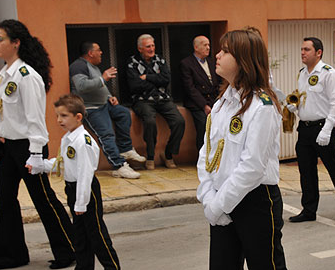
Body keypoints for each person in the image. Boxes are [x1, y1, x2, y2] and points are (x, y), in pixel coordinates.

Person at [193, 29, 310, 270]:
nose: (217, 56)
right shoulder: (221, 102)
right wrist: (207, 195)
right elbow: (207, 153)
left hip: (255, 202)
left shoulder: (263, 106)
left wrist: (219, 204)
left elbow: (252, 166)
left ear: (243, 60)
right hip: (221, 199)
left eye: (225, 51)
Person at [0, 19, 76, 270]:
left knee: (43, 199)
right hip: (10, 147)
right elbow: (1, 111)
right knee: (4, 198)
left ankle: (70, 249)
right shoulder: (5, 75)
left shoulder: (27, 76)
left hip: (28, 147)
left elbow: (35, 119)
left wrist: (35, 155)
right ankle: (11, 255)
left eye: (0, 39)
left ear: (16, 43)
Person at [28, 94, 121, 270]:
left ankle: (112, 268)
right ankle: (84, 269)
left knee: (95, 231)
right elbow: (64, 164)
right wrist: (41, 166)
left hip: (85, 190)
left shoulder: (83, 141)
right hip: (72, 188)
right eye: (57, 116)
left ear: (78, 117)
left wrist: (81, 202)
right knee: (79, 233)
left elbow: (86, 174)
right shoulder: (68, 138)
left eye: (64, 116)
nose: (59, 120)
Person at [287, 37, 335, 224]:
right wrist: (295, 108)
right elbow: (305, 98)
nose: (302, 52)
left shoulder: (329, 73)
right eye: (302, 49)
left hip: (323, 127)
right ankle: (309, 209)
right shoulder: (302, 73)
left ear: (318, 52)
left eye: (307, 49)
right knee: (306, 170)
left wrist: (327, 129)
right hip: (305, 128)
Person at [69, 41, 144, 178]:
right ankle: (119, 166)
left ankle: (125, 149)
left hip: (104, 104)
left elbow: (100, 85)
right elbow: (81, 86)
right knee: (107, 135)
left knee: (123, 113)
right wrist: (103, 79)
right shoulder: (78, 66)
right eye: (98, 50)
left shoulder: (93, 66)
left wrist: (109, 96)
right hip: (91, 108)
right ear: (90, 53)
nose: (101, 52)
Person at [127, 34, 185, 169]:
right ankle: (151, 156)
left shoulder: (160, 60)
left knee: (179, 121)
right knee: (150, 122)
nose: (151, 49)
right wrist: (156, 81)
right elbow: (134, 86)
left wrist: (147, 77)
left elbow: (166, 80)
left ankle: (169, 154)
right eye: (148, 46)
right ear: (140, 48)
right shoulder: (132, 62)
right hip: (142, 101)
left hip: (163, 99)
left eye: (153, 45)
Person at [180, 35, 221, 151]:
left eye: (209, 45)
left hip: (214, 100)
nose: (208, 47)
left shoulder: (212, 62)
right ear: (196, 47)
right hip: (196, 103)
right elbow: (190, 88)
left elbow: (219, 83)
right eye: (205, 45)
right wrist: (204, 105)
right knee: (204, 124)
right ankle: (202, 156)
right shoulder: (187, 63)